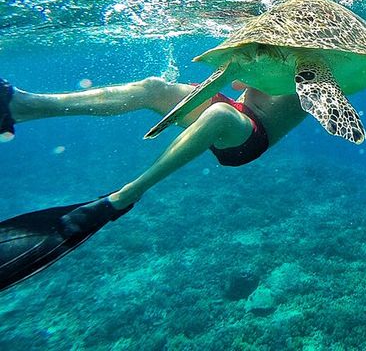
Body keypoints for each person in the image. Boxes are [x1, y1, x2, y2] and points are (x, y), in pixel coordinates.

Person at [0, 76, 307, 291]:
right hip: (236, 109)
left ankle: (124, 197)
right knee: (154, 88)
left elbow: (316, 95)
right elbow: (240, 84)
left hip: (252, 135)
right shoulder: (276, 32)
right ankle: (21, 106)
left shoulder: (326, 58)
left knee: (218, 113)